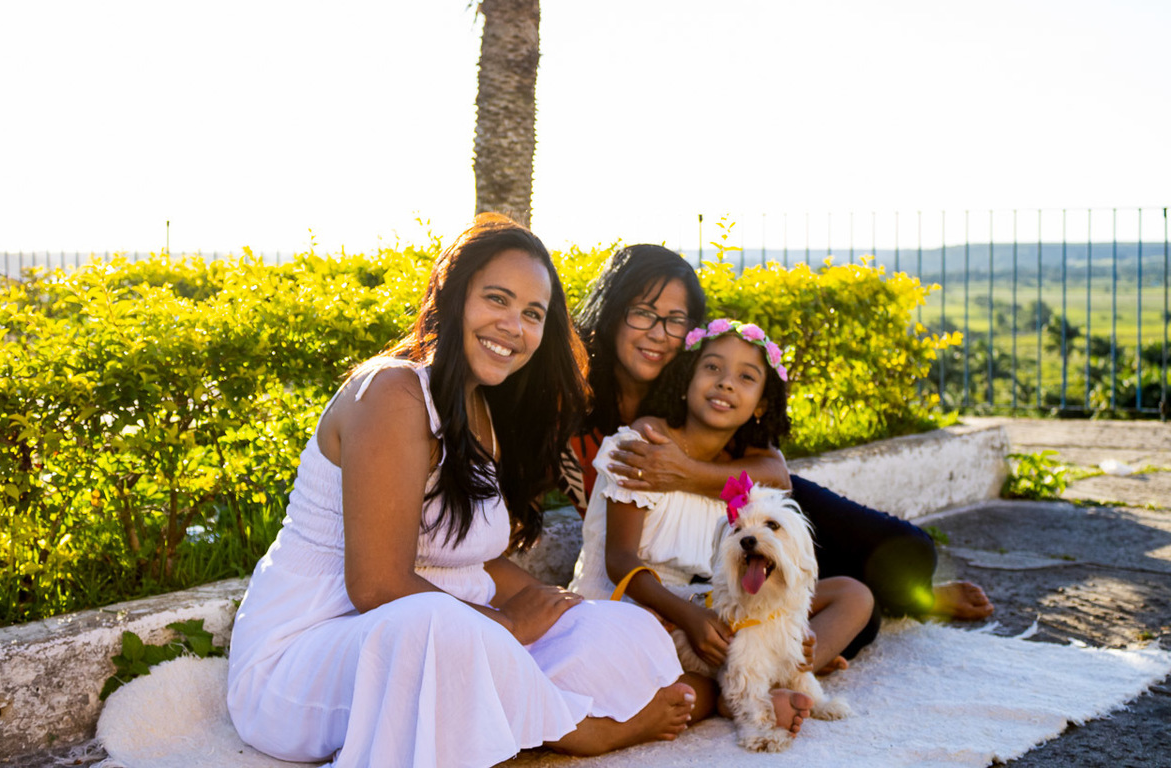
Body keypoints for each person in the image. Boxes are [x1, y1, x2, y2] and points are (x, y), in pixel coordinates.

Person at [227, 216, 698, 768]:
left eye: (532, 314)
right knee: (437, 628)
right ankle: (583, 732)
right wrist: (509, 627)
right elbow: (377, 586)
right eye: (497, 299)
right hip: (305, 660)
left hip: (435, 633)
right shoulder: (392, 391)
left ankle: (538, 711)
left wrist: (558, 609)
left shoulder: (480, 409)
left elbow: (475, 561)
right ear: (452, 297)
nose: (513, 326)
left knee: (609, 627)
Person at [562, 245, 992, 656]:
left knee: (909, 553)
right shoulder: (574, 398)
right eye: (642, 313)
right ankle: (839, 625)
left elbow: (776, 475)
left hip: (740, 496)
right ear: (613, 311)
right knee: (862, 619)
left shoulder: (701, 374)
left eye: (675, 320)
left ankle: (909, 596)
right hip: (681, 544)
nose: (658, 333)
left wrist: (684, 471)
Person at [570, 319, 875, 734]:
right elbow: (619, 562)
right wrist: (690, 618)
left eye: (746, 377)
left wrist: (786, 631)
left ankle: (779, 669)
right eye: (712, 367)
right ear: (685, 381)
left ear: (761, 404)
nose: (726, 383)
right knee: (688, 692)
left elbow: (779, 478)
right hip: (629, 602)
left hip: (697, 604)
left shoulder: (742, 472)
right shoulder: (645, 445)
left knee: (852, 595)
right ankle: (745, 693)